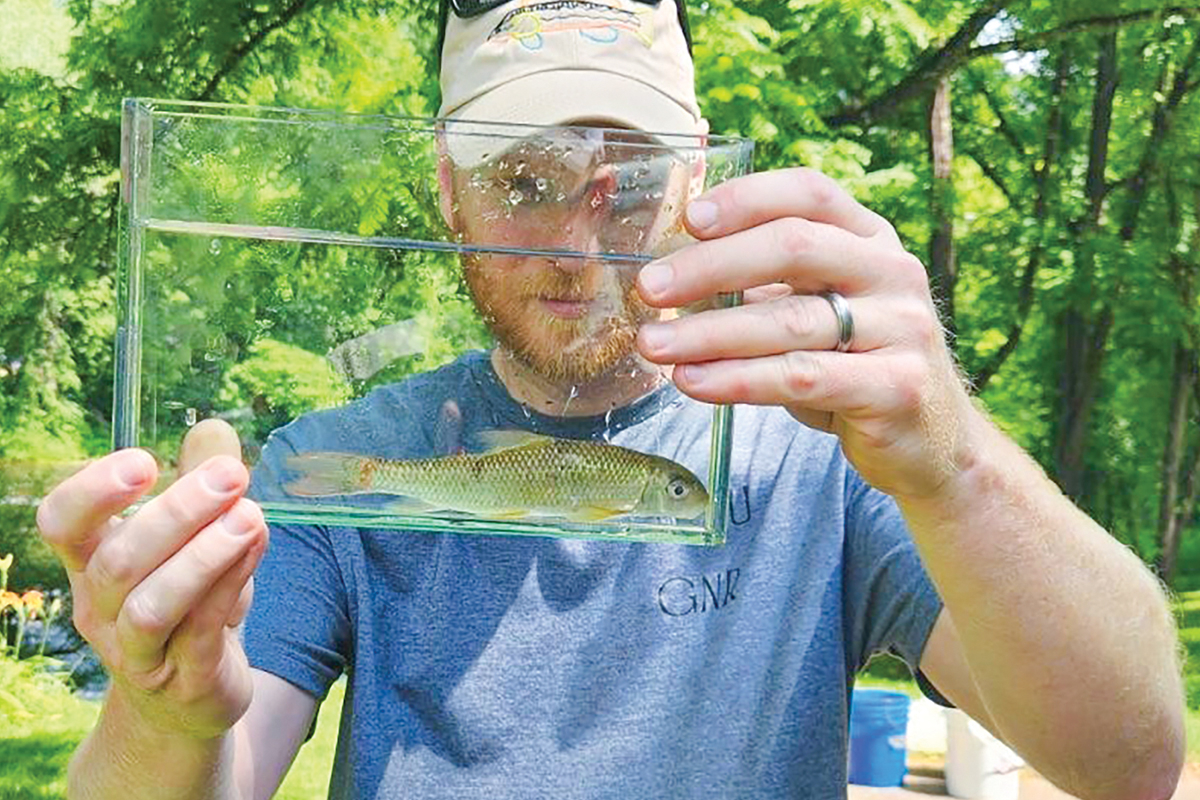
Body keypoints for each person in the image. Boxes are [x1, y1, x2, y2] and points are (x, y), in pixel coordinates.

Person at [37, 1, 1184, 798]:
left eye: (624, 182)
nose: (578, 247)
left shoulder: (826, 455)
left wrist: (957, 463)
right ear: (447, 187)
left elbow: (1128, 759)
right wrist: (162, 714)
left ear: (696, 180)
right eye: (523, 182)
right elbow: (207, 766)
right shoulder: (339, 462)